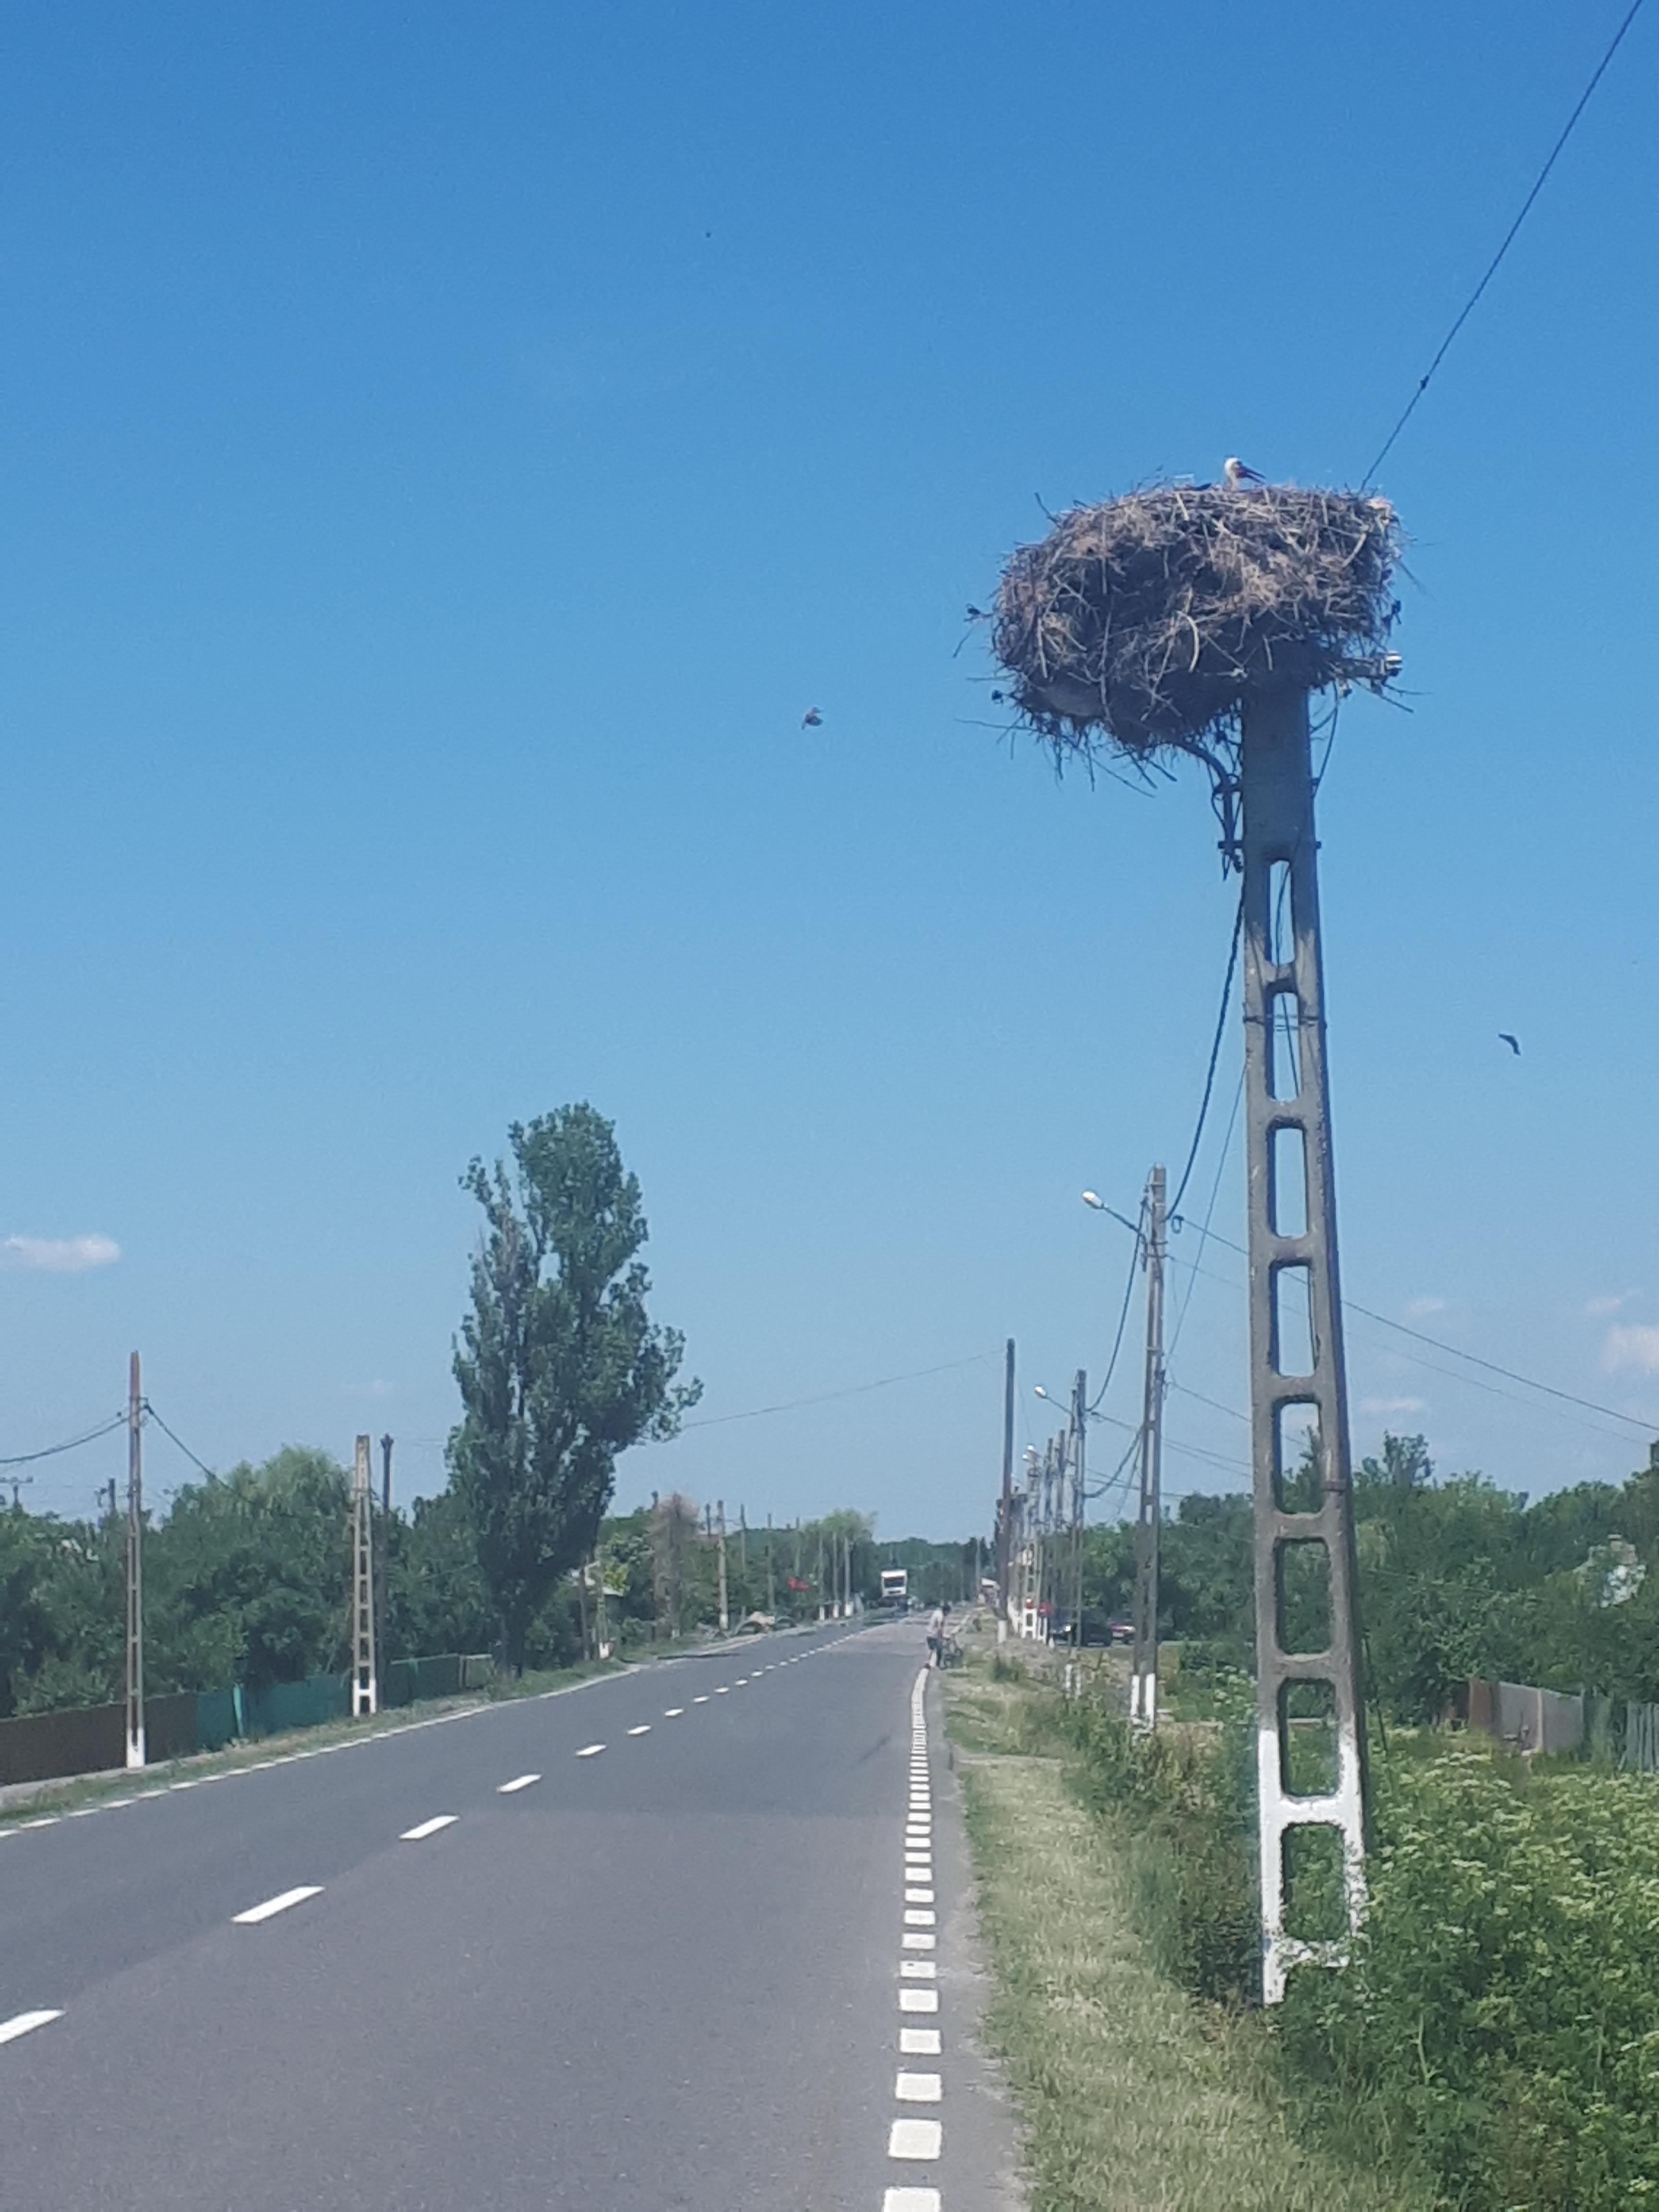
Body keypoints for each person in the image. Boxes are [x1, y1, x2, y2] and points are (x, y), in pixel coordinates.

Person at [927, 1603, 945, 1667]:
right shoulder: (941, 1616)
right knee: (940, 1649)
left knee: (931, 1649)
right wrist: (941, 1636)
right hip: (934, 1635)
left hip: (929, 1633)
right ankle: (938, 1664)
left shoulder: (937, 1612)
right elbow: (939, 1627)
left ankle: (928, 1663)